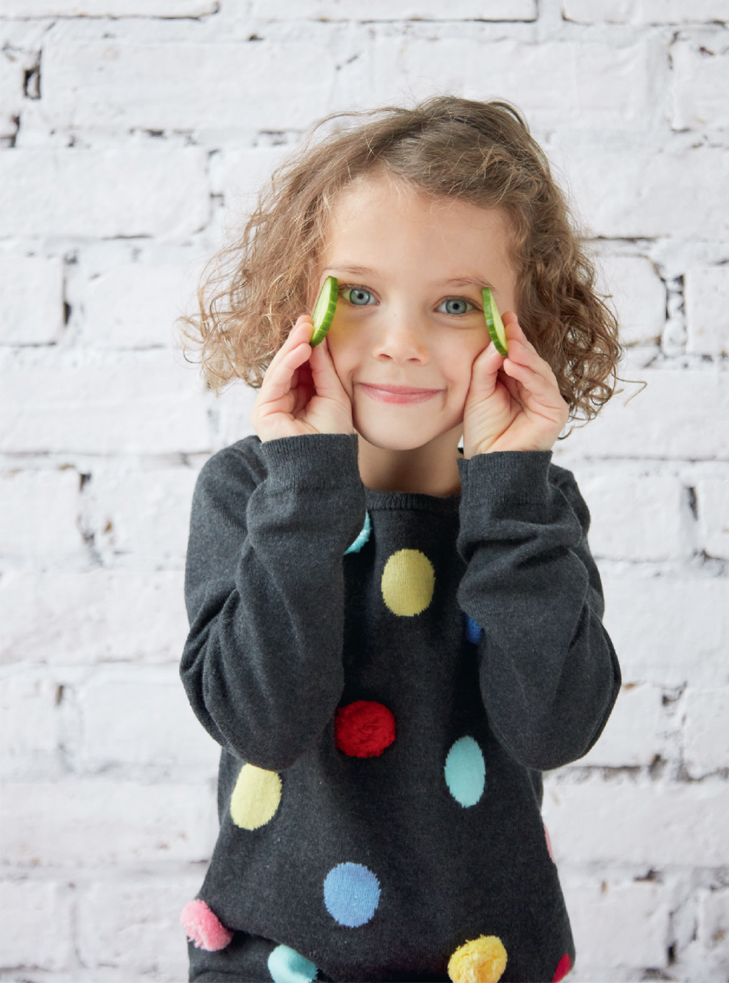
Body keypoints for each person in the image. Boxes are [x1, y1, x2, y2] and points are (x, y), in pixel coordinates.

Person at [178, 96, 622, 983]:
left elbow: (554, 728)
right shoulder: (251, 490)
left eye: (456, 303)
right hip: (272, 959)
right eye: (360, 295)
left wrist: (511, 491)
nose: (402, 343)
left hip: (490, 961)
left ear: (523, 325)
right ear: (294, 300)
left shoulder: (535, 506)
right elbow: (262, 722)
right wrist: (308, 483)